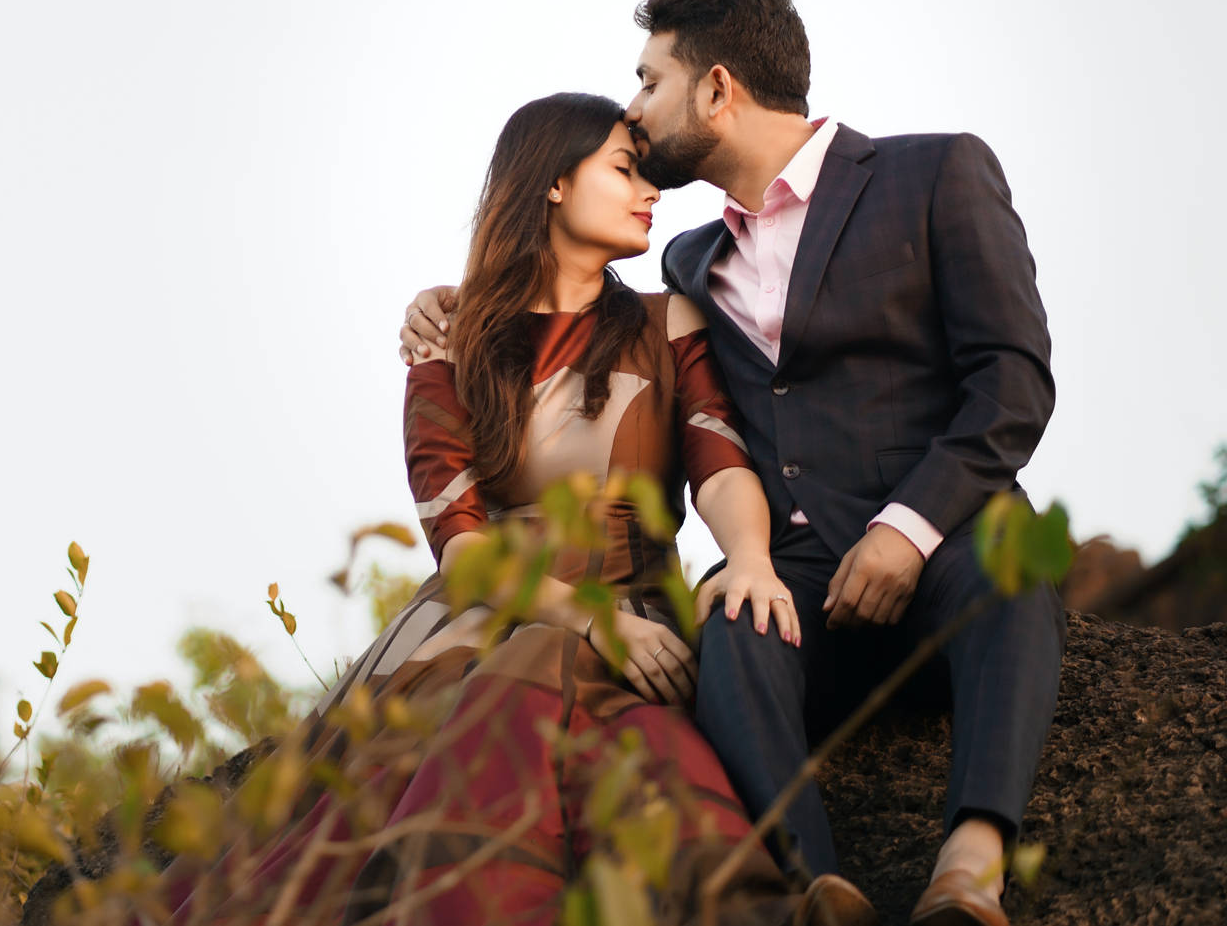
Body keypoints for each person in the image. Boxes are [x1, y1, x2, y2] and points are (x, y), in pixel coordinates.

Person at [399, 0, 1063, 926]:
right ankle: (808, 884)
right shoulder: (686, 262)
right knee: (736, 634)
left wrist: (905, 529)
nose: (636, 108)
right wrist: (454, 302)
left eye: (648, 81)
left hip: (943, 541)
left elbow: (1013, 379)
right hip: (795, 570)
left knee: (1011, 564)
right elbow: (578, 314)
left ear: (716, 88)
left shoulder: (936, 173)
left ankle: (970, 866)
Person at [146, 94, 869, 926]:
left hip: (638, 607)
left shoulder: (668, 320)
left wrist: (747, 556)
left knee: (646, 747)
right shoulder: (450, 347)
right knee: (544, 721)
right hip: (481, 621)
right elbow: (460, 542)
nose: (653, 193)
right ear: (554, 183)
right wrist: (593, 623)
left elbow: (719, 463)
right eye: (624, 170)